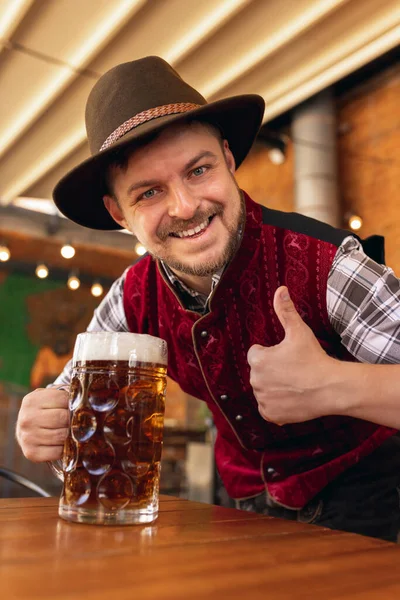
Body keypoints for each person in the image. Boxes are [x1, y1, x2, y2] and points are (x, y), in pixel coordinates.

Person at [16, 56, 400, 541]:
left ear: (228, 158)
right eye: (149, 193)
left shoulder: (330, 265)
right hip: (237, 513)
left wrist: (336, 385)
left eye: (198, 170)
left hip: (373, 507)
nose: (185, 206)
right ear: (118, 213)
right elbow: (65, 407)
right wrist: (40, 427)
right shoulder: (130, 298)